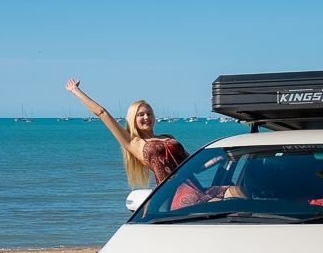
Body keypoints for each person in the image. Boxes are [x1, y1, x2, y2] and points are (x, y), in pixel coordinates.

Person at [64, 78, 243, 207]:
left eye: (148, 113)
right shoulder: (133, 142)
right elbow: (102, 113)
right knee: (223, 207)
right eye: (140, 114)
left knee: (240, 192)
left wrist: (224, 156)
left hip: (198, 188)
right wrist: (76, 91)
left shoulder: (167, 136)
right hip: (179, 195)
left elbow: (194, 165)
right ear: (133, 119)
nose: (146, 117)